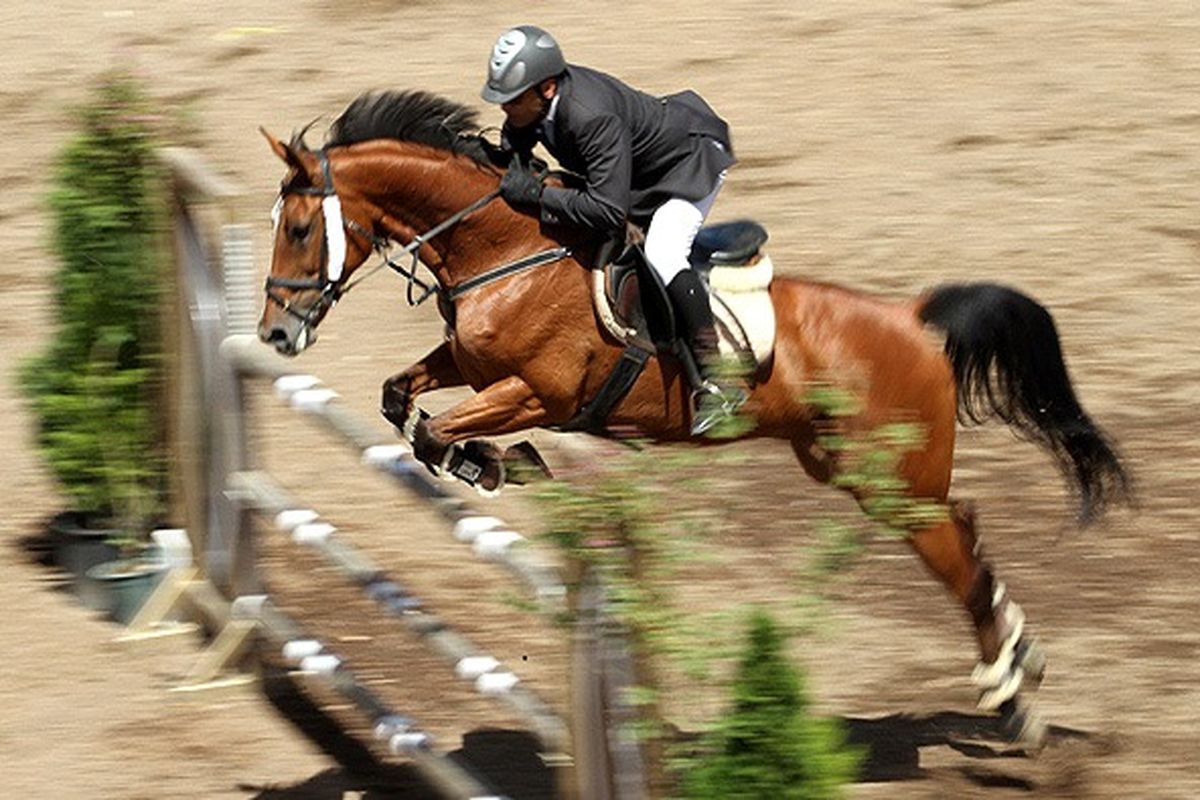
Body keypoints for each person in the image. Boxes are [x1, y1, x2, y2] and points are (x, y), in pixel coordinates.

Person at [480, 24, 745, 436]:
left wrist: (536, 195)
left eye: (511, 100)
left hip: (687, 166)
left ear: (547, 89)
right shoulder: (537, 103)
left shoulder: (589, 116)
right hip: (637, 172)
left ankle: (718, 379)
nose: (505, 109)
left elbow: (606, 210)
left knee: (663, 252)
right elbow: (516, 140)